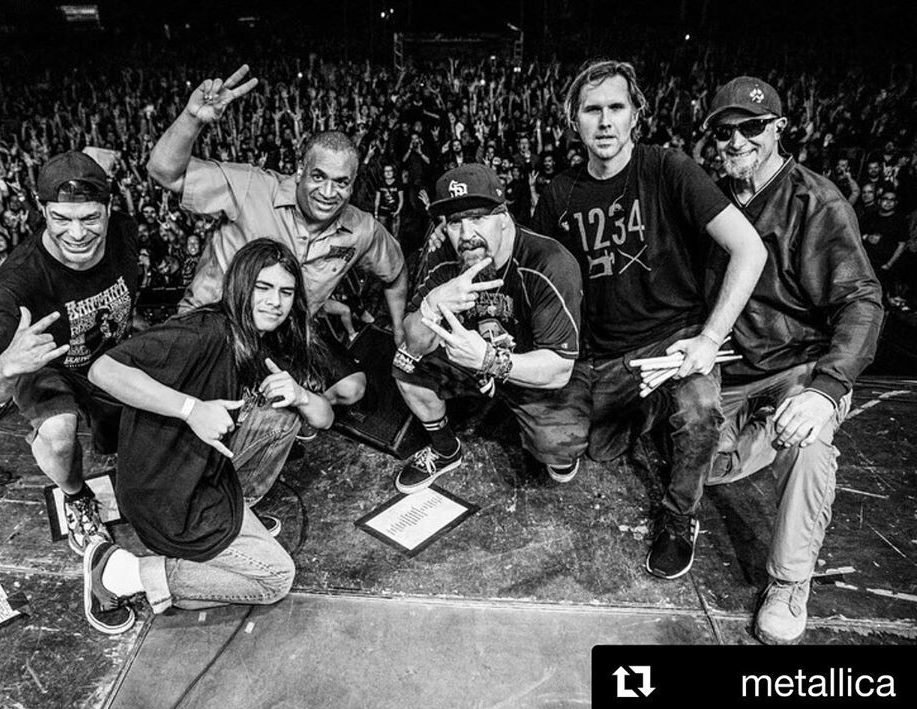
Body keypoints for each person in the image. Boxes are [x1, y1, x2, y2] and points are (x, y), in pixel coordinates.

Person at [531, 60, 767, 580]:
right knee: (592, 448)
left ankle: (679, 517)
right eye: (592, 109)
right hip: (605, 353)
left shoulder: (667, 168)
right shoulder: (559, 193)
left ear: (636, 114)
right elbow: (542, 281)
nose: (605, 121)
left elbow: (749, 249)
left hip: (674, 339)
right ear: (573, 121)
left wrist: (710, 338)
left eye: (617, 107)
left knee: (700, 410)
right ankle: (651, 410)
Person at [703, 76, 883, 644]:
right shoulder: (712, 199)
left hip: (799, 367)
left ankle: (788, 581)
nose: (736, 141)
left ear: (779, 128)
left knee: (806, 443)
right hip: (732, 368)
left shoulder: (815, 201)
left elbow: (862, 300)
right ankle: (760, 434)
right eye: (724, 131)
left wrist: (826, 389)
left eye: (751, 127)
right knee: (697, 463)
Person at [81, 239, 333, 633]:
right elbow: (103, 371)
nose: (275, 302)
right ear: (240, 286)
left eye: (286, 292)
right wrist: (191, 409)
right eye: (263, 288)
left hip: (205, 474)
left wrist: (300, 395)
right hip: (165, 494)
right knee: (274, 579)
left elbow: (324, 418)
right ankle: (122, 573)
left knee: (286, 418)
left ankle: (235, 518)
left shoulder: (264, 339)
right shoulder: (205, 330)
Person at [147, 65, 408, 410]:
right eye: (318, 177)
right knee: (205, 409)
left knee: (352, 388)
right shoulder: (252, 187)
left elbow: (395, 273)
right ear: (300, 171)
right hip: (215, 325)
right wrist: (192, 120)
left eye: (341, 182)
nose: (328, 192)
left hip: (282, 334)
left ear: (352, 184)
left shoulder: (362, 230)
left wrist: (400, 331)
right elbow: (163, 172)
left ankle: (288, 417)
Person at [0, 151, 140, 556]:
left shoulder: (124, 231)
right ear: (42, 210)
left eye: (89, 218)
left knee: (133, 436)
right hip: (44, 364)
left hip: (108, 355)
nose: (77, 233)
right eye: (61, 219)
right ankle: (76, 496)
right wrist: (8, 365)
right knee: (61, 439)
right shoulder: (17, 282)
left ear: (109, 208)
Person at [392, 163, 582, 493]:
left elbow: (560, 369)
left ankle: (539, 426)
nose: (466, 235)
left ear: (504, 218)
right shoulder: (444, 257)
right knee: (405, 363)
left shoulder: (547, 261)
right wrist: (432, 304)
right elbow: (415, 342)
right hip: (472, 361)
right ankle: (445, 450)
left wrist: (489, 360)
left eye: (478, 218)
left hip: (528, 367)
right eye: (455, 222)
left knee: (558, 450)